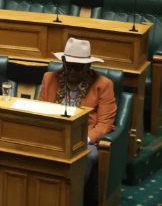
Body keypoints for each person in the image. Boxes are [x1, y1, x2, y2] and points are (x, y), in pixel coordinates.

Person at [39, 38, 116, 205]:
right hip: (54, 136)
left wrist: (82, 140)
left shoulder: (103, 85)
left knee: (86, 156)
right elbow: (41, 111)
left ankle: (69, 199)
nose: (71, 72)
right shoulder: (49, 78)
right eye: (68, 66)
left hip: (85, 141)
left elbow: (105, 124)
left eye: (78, 67)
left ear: (88, 67)